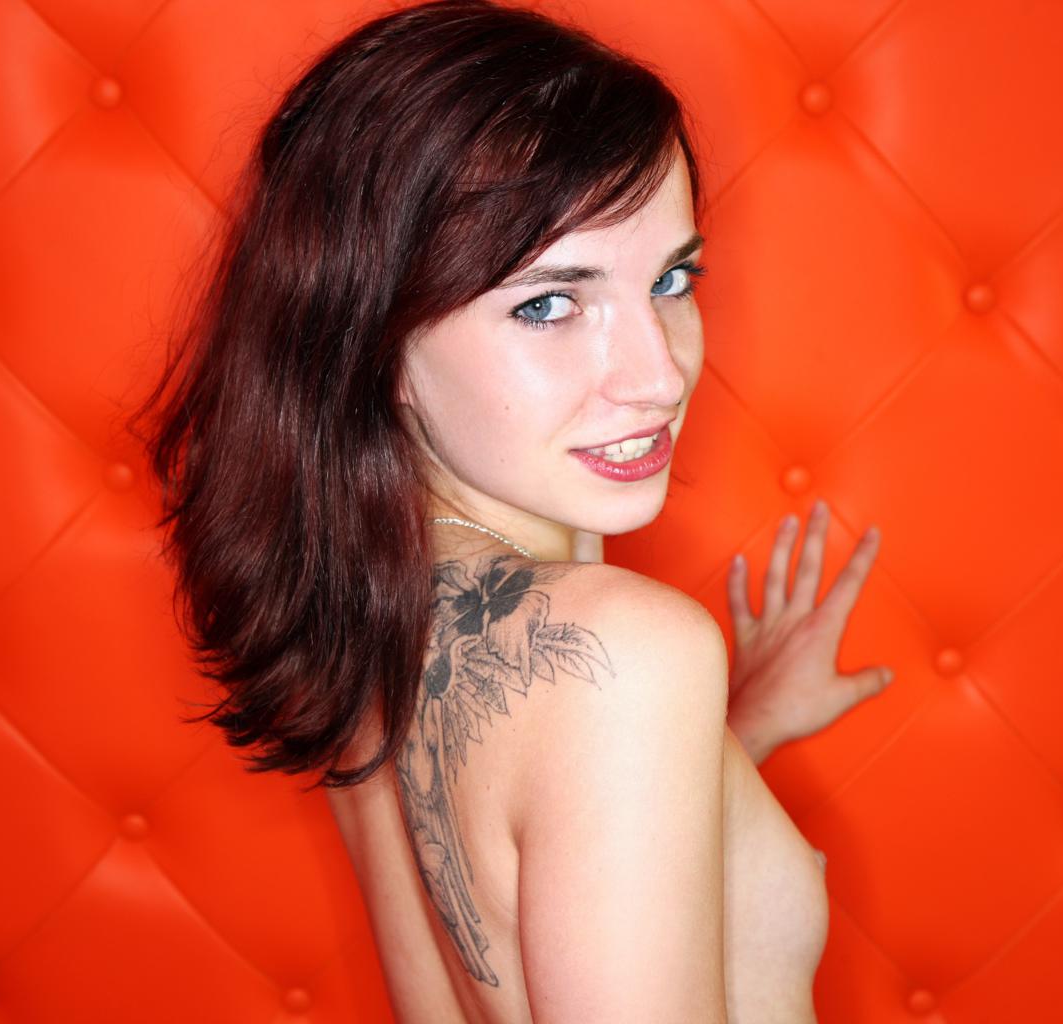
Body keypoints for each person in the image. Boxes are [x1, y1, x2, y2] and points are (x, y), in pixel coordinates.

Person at [126, 1, 891, 1021]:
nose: (660, 375)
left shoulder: (369, 599)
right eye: (547, 303)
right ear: (375, 342)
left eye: (671, 279)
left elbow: (510, 870)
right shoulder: (621, 652)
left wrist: (729, 736)